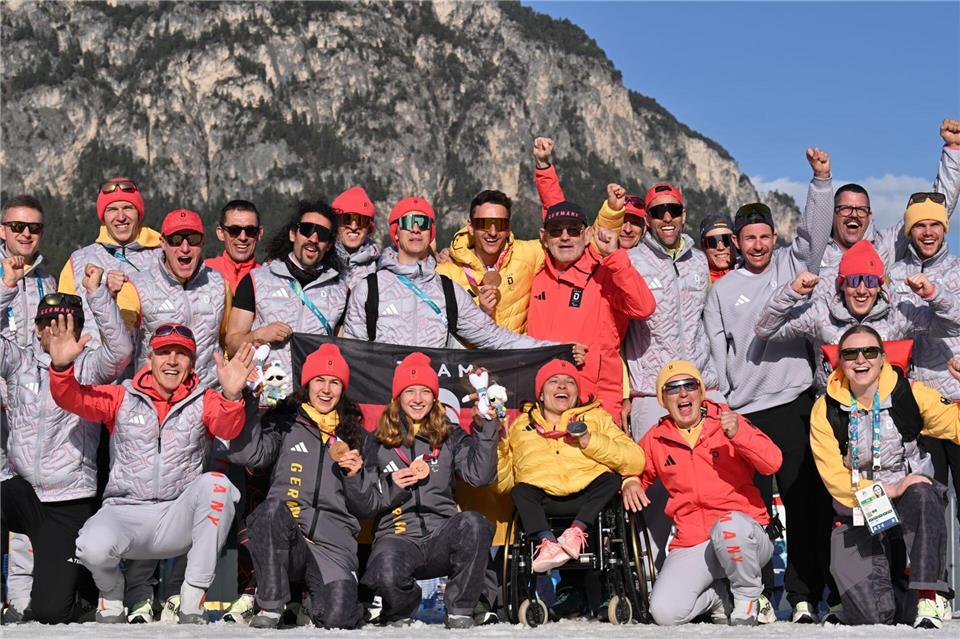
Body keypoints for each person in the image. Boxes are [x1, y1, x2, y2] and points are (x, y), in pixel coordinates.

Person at [46, 323, 256, 624]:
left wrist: (233, 396)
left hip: (176, 516)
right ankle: (112, 589)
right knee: (91, 546)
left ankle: (191, 600)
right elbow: (72, 398)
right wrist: (62, 366)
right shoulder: (122, 397)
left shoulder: (204, 400)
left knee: (217, 485)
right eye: (164, 353)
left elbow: (228, 428)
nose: (172, 361)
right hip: (126, 512)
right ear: (150, 359)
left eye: (181, 354)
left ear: (192, 363)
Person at [703, 148, 834, 622]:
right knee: (752, 510)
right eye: (748, 239)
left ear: (773, 238)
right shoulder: (721, 290)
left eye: (763, 237)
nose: (757, 245)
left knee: (805, 504)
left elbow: (816, 233)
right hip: (747, 411)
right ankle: (753, 595)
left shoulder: (789, 264)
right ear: (736, 242)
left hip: (794, 402)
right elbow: (718, 351)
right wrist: (723, 401)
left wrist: (821, 181)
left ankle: (802, 595)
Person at [0, 259, 132, 624]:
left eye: (66, 323)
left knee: (50, 612)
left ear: (79, 328)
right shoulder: (20, 361)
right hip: (20, 489)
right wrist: (8, 285)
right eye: (48, 324)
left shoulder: (89, 368)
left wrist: (97, 295)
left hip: (67, 500)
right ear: (38, 329)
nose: (56, 332)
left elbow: (121, 352)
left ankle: (78, 593)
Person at [809, 325, 960, 628]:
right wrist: (889, 488)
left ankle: (927, 596)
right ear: (840, 361)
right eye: (850, 353)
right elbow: (835, 479)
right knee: (871, 619)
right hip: (858, 509)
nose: (860, 360)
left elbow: (956, 426)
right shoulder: (824, 409)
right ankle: (877, 600)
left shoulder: (910, 393)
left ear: (882, 358)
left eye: (870, 352)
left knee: (922, 491)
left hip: (909, 502)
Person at [623, 360, 782, 626]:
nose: (683, 393)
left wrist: (740, 433)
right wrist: (630, 480)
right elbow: (634, 466)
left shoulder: (727, 420)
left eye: (690, 385)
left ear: (701, 392)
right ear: (663, 399)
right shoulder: (656, 438)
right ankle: (721, 599)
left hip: (745, 534)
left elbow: (773, 463)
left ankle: (748, 598)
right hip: (694, 540)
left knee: (729, 525)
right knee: (665, 612)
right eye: (673, 388)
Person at [350, 353, 499, 629]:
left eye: (425, 392)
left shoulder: (450, 436)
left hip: (440, 535)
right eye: (410, 391)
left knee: (475, 524)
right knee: (385, 565)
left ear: (435, 397)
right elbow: (364, 503)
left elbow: (480, 476)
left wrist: (486, 427)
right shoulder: (376, 442)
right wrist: (391, 484)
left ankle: (461, 608)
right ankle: (402, 607)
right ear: (397, 397)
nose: (418, 399)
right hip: (397, 537)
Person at [228, 343, 368, 629]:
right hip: (288, 536)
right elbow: (247, 454)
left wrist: (355, 477)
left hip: (332, 548)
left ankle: (308, 601)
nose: (326, 390)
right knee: (269, 511)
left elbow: (366, 505)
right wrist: (246, 401)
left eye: (334, 382)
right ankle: (270, 604)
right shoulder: (286, 421)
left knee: (339, 618)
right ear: (307, 384)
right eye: (319, 380)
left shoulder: (356, 434)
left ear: (343, 389)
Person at [343, 196, 567, 354]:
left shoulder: (448, 290)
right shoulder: (368, 290)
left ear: (430, 232)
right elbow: (353, 355)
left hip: (432, 406)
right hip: (383, 406)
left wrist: (554, 349)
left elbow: (495, 337)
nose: (415, 229)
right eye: (408, 223)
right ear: (395, 232)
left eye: (422, 223)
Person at [496, 359, 644, 575]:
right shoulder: (519, 426)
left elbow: (636, 460)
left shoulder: (597, 417)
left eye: (570, 382)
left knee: (610, 480)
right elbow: (504, 484)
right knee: (520, 491)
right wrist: (499, 446)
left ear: (577, 393)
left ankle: (575, 532)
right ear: (541, 393)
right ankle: (547, 545)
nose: (562, 386)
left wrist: (588, 440)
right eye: (553, 381)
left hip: (588, 496)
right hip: (542, 498)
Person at [755, 239, 959, 392]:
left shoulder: (898, 312)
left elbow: (953, 327)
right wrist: (790, 292)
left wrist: (934, 294)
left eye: (870, 281)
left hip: (888, 416)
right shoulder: (820, 313)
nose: (862, 290)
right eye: (854, 281)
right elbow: (765, 330)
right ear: (842, 284)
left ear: (879, 287)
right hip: (835, 415)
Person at [526, 200, 656, 424]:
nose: (565, 237)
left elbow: (643, 307)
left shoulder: (605, 273)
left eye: (573, 230)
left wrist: (615, 256)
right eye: (556, 231)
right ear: (544, 237)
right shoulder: (536, 278)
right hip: (544, 405)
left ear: (587, 235)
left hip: (596, 406)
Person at [620, 180, 720, 437]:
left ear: (683, 215)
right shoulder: (631, 262)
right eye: (658, 211)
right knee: (655, 477)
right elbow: (616, 334)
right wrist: (623, 395)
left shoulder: (699, 261)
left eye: (673, 210)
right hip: (652, 393)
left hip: (702, 387)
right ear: (647, 218)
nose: (667, 217)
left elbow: (710, 323)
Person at [226, 200, 348, 407]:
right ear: (293, 234)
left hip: (314, 407)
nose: (313, 238)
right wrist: (259, 335)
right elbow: (231, 344)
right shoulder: (257, 280)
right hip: (265, 401)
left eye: (323, 234)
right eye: (307, 230)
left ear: (329, 245)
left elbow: (343, 351)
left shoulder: (341, 291)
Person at [815, 119, 960, 289]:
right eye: (845, 209)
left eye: (861, 210)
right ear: (833, 214)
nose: (853, 214)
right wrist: (820, 178)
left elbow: (933, 209)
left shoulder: (886, 247)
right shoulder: (815, 252)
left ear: (870, 216)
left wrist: (953, 150)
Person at [889, 193, 960, 528]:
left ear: (945, 230)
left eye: (935, 225)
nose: (928, 232)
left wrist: (933, 294)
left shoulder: (958, 270)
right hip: (920, 406)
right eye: (919, 225)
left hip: (958, 399)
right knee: (928, 504)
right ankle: (933, 580)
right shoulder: (893, 275)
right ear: (909, 232)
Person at [124, 209, 228, 388]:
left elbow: (228, 340)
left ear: (203, 242)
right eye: (176, 240)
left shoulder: (219, 284)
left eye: (193, 239)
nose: (185, 248)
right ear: (162, 243)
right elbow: (116, 344)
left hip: (207, 396)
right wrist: (102, 296)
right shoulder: (136, 286)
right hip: (155, 400)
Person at [59, 177, 162, 340]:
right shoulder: (78, 261)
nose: (121, 217)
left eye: (128, 208)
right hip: (95, 362)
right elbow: (63, 324)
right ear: (103, 216)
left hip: (150, 362)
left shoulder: (162, 257)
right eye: (112, 209)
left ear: (139, 213)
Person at [436, 189, 545, 333]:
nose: (493, 233)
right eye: (484, 224)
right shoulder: (446, 272)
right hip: (473, 355)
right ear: (470, 226)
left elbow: (563, 236)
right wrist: (480, 314)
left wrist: (584, 240)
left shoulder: (528, 254)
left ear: (508, 227)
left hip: (517, 354)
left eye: (500, 225)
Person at [0, 195, 56, 346]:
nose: (26, 233)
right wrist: (6, 285)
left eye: (34, 228)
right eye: (17, 226)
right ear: (2, 231)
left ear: (41, 233)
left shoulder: (48, 281)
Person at [205, 199, 263, 293]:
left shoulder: (269, 280)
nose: (243, 237)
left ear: (259, 233)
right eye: (234, 230)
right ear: (221, 233)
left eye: (250, 230)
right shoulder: (203, 272)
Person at [331, 186, 380, 289]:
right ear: (336, 223)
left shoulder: (380, 268)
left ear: (369, 227)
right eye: (346, 219)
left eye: (361, 221)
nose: (353, 227)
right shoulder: (320, 262)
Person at [699, 214, 736, 283]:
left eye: (726, 240)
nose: (721, 247)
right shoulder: (695, 281)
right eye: (712, 241)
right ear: (703, 246)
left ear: (736, 242)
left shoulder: (753, 272)